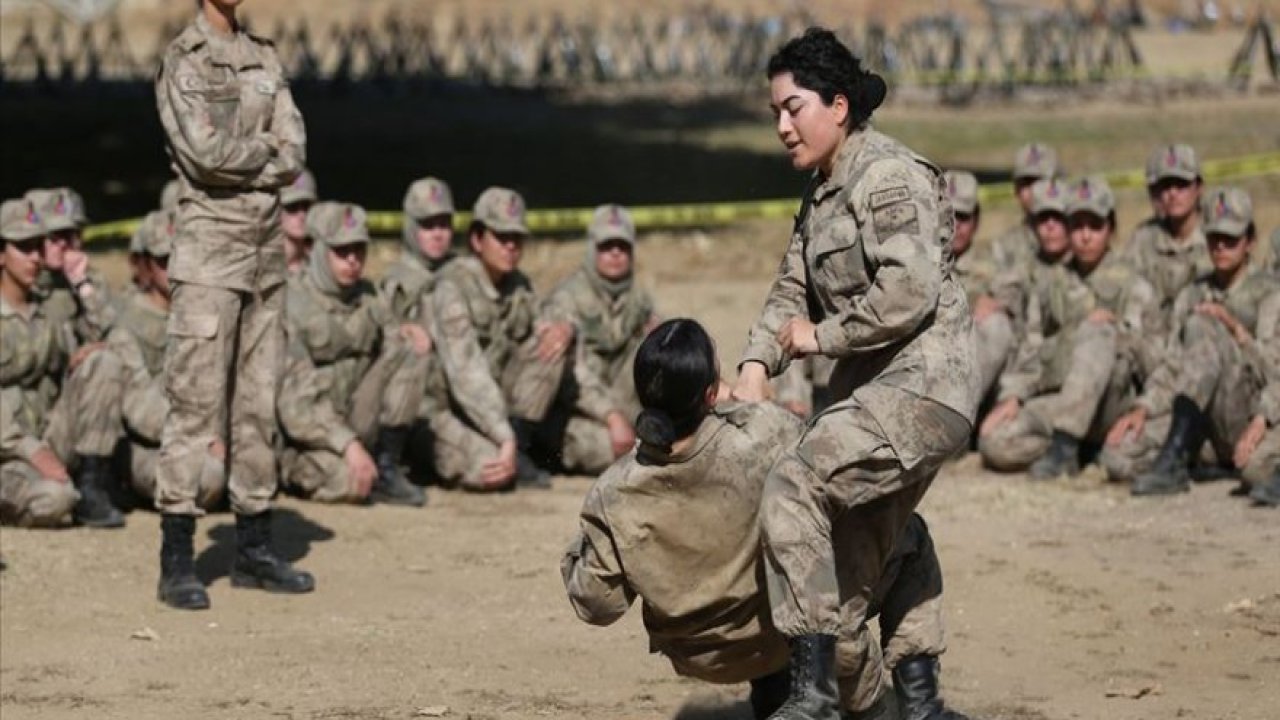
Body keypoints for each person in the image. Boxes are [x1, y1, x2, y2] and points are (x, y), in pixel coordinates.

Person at [731, 29, 978, 719]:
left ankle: (808, 697)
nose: (782, 125)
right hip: (874, 399)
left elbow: (910, 290)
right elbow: (790, 290)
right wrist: (756, 363)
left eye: (795, 107)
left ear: (839, 106)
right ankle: (914, 706)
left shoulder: (888, 176)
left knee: (797, 481)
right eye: (776, 111)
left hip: (922, 388)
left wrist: (823, 337)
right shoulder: (821, 195)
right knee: (859, 565)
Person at [562, 319, 965, 720]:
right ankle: (916, 706)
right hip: (779, 634)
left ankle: (777, 692)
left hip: (700, 655)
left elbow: (597, 605)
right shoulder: (762, 434)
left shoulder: (614, 490)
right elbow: (827, 489)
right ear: (710, 393)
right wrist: (749, 405)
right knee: (909, 538)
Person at [153, 0, 312, 610]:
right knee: (193, 405)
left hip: (266, 254)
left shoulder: (264, 56)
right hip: (209, 253)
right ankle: (177, 557)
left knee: (258, 402)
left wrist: (260, 158)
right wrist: (265, 155)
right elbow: (203, 155)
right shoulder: (183, 59)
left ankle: (254, 547)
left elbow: (295, 149)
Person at [1103, 187, 1280, 495]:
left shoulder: (1270, 294)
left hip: (1250, 411)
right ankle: (1183, 457)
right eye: (1214, 238)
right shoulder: (1192, 293)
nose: (1221, 247)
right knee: (1118, 455)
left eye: (1231, 239)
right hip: (1201, 420)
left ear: (1250, 241)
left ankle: (1181, 458)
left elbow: (1273, 371)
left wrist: (1237, 332)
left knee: (1257, 473)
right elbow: (1174, 364)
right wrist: (1143, 408)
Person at [978, 176, 1158, 479]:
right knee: (996, 441)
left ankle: (1067, 447)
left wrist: (1118, 334)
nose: (1085, 236)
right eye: (1077, 225)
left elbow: (1156, 359)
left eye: (1095, 226)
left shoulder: (1133, 283)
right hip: (1061, 401)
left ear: (1110, 228)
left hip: (1111, 405)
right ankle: (1078, 448)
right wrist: (1014, 397)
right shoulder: (1053, 283)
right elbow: (1032, 347)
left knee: (1097, 331)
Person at [276, 201, 429, 506]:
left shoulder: (369, 296)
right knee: (348, 482)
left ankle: (387, 463)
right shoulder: (289, 303)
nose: (353, 260)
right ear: (315, 250)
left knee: (410, 346)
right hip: (308, 434)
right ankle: (295, 473)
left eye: (359, 250)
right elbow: (295, 404)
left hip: (356, 421)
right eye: (341, 251)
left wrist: (407, 330)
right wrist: (347, 445)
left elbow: (394, 350)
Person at [427, 187, 571, 490]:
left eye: (517, 238)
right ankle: (505, 447)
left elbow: (545, 319)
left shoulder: (518, 284)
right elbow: (465, 371)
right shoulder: (452, 286)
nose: (511, 246)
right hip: (449, 409)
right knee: (489, 470)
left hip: (495, 412)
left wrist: (564, 328)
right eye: (501, 237)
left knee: (553, 343)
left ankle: (520, 446)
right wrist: (501, 434)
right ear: (477, 240)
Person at [0, 197, 125, 528]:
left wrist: (75, 362)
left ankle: (92, 485)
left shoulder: (45, 311)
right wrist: (29, 451)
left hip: (46, 434)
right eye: (23, 247)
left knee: (104, 361)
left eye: (37, 247)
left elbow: (109, 335)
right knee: (54, 500)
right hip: (8, 447)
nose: (34, 257)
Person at [109, 209, 227, 510]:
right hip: (145, 443)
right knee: (207, 479)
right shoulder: (126, 320)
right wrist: (197, 438)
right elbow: (138, 404)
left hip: (201, 437)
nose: (177, 269)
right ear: (146, 265)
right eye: (165, 261)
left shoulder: (206, 313)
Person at [538, 204, 652, 474]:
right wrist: (611, 417)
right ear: (592, 249)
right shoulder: (566, 298)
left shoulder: (638, 298)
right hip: (578, 413)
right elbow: (568, 376)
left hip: (625, 410)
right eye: (607, 245)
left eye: (622, 246)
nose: (615, 253)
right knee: (615, 452)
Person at [1121, 144, 1211, 326]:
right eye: (1165, 186)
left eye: (1182, 185)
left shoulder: (1217, 237)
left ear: (1199, 188)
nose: (1173, 193)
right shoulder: (1143, 238)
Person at [944, 170, 1008, 409]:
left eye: (963, 217)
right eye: (948, 214)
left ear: (977, 220)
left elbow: (1012, 295)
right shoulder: (918, 257)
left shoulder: (994, 260)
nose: (955, 225)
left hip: (974, 371)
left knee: (997, 324)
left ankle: (960, 413)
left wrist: (995, 303)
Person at [25, 187, 116, 346]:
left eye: (75, 234)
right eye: (57, 235)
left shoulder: (89, 280)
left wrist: (82, 284)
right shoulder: (20, 282)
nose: (67, 243)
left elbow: (107, 335)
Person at [382, 176, 457, 323]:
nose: (438, 234)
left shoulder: (463, 272)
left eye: (444, 224)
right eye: (428, 225)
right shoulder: (397, 285)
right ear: (411, 228)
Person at [990, 142, 1059, 278]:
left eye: (1040, 182)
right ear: (1016, 190)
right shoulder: (1004, 248)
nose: (1034, 191)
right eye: (1026, 183)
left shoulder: (1076, 240)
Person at [281, 168, 317, 275]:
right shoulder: (261, 264)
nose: (302, 215)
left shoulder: (322, 266)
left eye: (307, 206)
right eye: (292, 207)